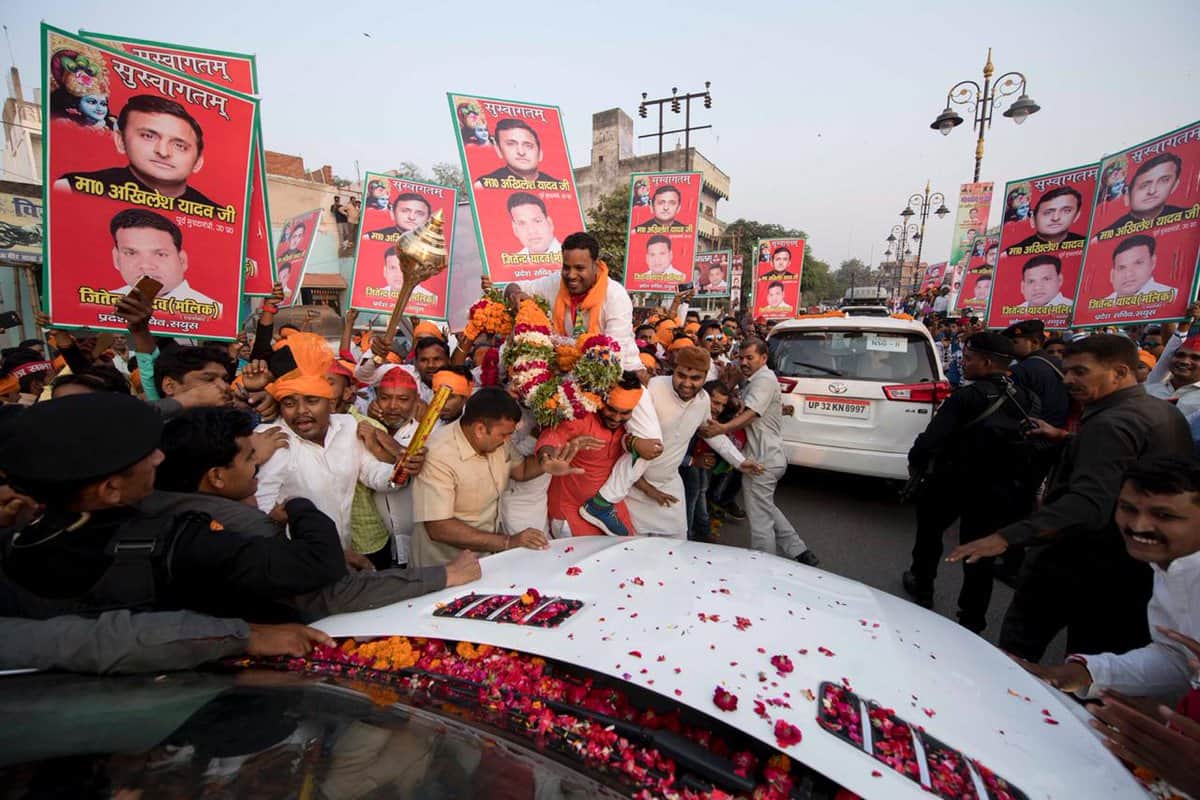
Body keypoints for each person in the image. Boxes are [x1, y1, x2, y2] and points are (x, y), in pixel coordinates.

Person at [0, 394, 347, 625]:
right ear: (110, 489)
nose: (160, 457)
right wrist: (299, 505)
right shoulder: (180, 540)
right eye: (144, 456)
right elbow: (318, 563)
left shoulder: (20, 538)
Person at [948, 335, 1193, 659]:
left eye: (1080, 372)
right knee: (1098, 659)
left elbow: (1089, 503)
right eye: (1067, 371)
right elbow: (1126, 465)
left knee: (1020, 656)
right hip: (1132, 567)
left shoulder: (1113, 423)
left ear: (1119, 372)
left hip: (1079, 560)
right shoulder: (1158, 411)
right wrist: (1067, 438)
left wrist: (1006, 537)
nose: (1068, 380)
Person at [1015, 457, 1199, 704]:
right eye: (1128, 509)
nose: (1138, 525)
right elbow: (1177, 659)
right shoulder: (1168, 563)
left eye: (1164, 515)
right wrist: (1086, 672)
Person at [901, 333, 1040, 631]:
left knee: (929, 536)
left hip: (951, 483)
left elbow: (931, 439)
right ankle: (972, 617)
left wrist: (916, 462)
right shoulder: (1026, 398)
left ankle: (922, 587)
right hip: (998, 491)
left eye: (968, 359)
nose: (963, 364)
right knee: (979, 552)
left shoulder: (968, 397)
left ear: (987, 362)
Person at [253, 333, 406, 552]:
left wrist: (402, 471)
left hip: (342, 550)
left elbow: (371, 473)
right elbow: (259, 508)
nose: (301, 411)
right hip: (298, 560)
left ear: (329, 402)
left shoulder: (348, 426)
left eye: (312, 400)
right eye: (289, 403)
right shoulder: (271, 438)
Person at [410, 388, 584, 566]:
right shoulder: (438, 455)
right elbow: (439, 528)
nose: (507, 440)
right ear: (479, 429)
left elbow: (521, 470)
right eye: (503, 434)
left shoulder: (498, 441)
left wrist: (548, 463)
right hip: (442, 565)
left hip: (485, 558)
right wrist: (508, 542)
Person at [622, 347, 762, 538]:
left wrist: (740, 461)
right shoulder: (652, 389)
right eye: (681, 375)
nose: (686, 384)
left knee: (677, 542)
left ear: (705, 377)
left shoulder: (703, 400)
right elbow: (625, 434)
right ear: (674, 369)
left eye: (695, 378)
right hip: (634, 487)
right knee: (635, 550)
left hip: (669, 484)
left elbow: (711, 433)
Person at [701, 338, 819, 565]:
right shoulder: (754, 380)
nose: (743, 362)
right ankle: (799, 550)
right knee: (765, 506)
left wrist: (722, 428)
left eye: (750, 358)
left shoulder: (763, 379)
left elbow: (752, 413)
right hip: (765, 457)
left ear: (763, 358)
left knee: (760, 520)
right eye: (741, 357)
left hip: (762, 460)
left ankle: (764, 567)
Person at [54, 94, 215, 206]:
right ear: (120, 141)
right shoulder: (73, 187)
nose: (163, 152)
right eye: (148, 136)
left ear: (198, 162)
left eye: (179, 145)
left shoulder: (216, 215)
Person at [542, 376, 643, 537]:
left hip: (610, 509)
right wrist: (548, 459)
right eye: (611, 409)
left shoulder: (632, 426)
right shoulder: (581, 418)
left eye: (624, 413)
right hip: (570, 512)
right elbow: (552, 437)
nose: (616, 418)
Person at [106, 209, 219, 307]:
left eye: (160, 254)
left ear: (182, 260)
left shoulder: (213, 311)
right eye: (131, 253)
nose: (146, 266)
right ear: (116, 259)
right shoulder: (103, 304)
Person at [1002, 319, 1069, 428]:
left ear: (1034, 342)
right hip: (1057, 431)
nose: (1011, 347)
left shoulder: (1020, 370)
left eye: (1015, 342)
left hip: (1035, 431)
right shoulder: (1060, 363)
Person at [1100, 153, 1187, 233]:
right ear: (1128, 193)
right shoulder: (1105, 236)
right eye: (1144, 185)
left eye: (1164, 180)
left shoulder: (1188, 217)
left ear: (1175, 185)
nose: (1152, 191)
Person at [1143, 304, 1200, 417]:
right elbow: (1169, 351)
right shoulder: (1151, 386)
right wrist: (1184, 324)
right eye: (1180, 355)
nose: (1184, 361)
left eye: (1195, 358)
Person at [475, 119, 560, 186]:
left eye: (528, 145)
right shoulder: (484, 185)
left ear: (540, 153)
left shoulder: (558, 186)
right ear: (499, 150)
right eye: (511, 144)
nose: (521, 152)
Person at [1006, 187, 1087, 253]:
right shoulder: (1011, 253)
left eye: (1066, 211)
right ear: (1033, 219)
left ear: (1076, 215)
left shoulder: (1087, 244)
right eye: (1048, 212)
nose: (1056, 218)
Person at [1105, 234, 1176, 301]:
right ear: (1112, 274)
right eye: (1122, 267)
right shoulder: (1101, 307)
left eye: (1138, 263)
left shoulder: (1172, 296)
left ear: (1153, 262)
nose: (1129, 274)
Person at [365, 193, 431, 243]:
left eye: (419, 213)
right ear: (392, 214)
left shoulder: (434, 245)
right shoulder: (371, 237)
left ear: (428, 219)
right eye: (405, 211)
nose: (411, 217)